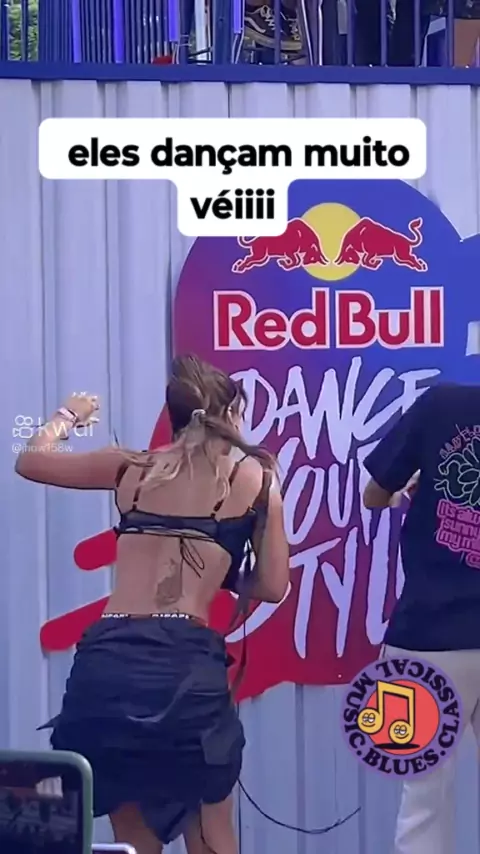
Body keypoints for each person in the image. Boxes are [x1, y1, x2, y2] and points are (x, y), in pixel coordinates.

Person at [15, 355, 290, 854]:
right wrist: (224, 569)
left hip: (108, 663)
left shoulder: (130, 466)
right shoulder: (256, 480)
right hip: (184, 667)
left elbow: (30, 460)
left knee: (134, 839)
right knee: (210, 834)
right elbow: (273, 586)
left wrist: (69, 415)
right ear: (231, 415)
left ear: (175, 416)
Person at [362, 381, 480, 854]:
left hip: (427, 634)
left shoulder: (441, 403)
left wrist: (411, 493)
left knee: (423, 804)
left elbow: (374, 494)